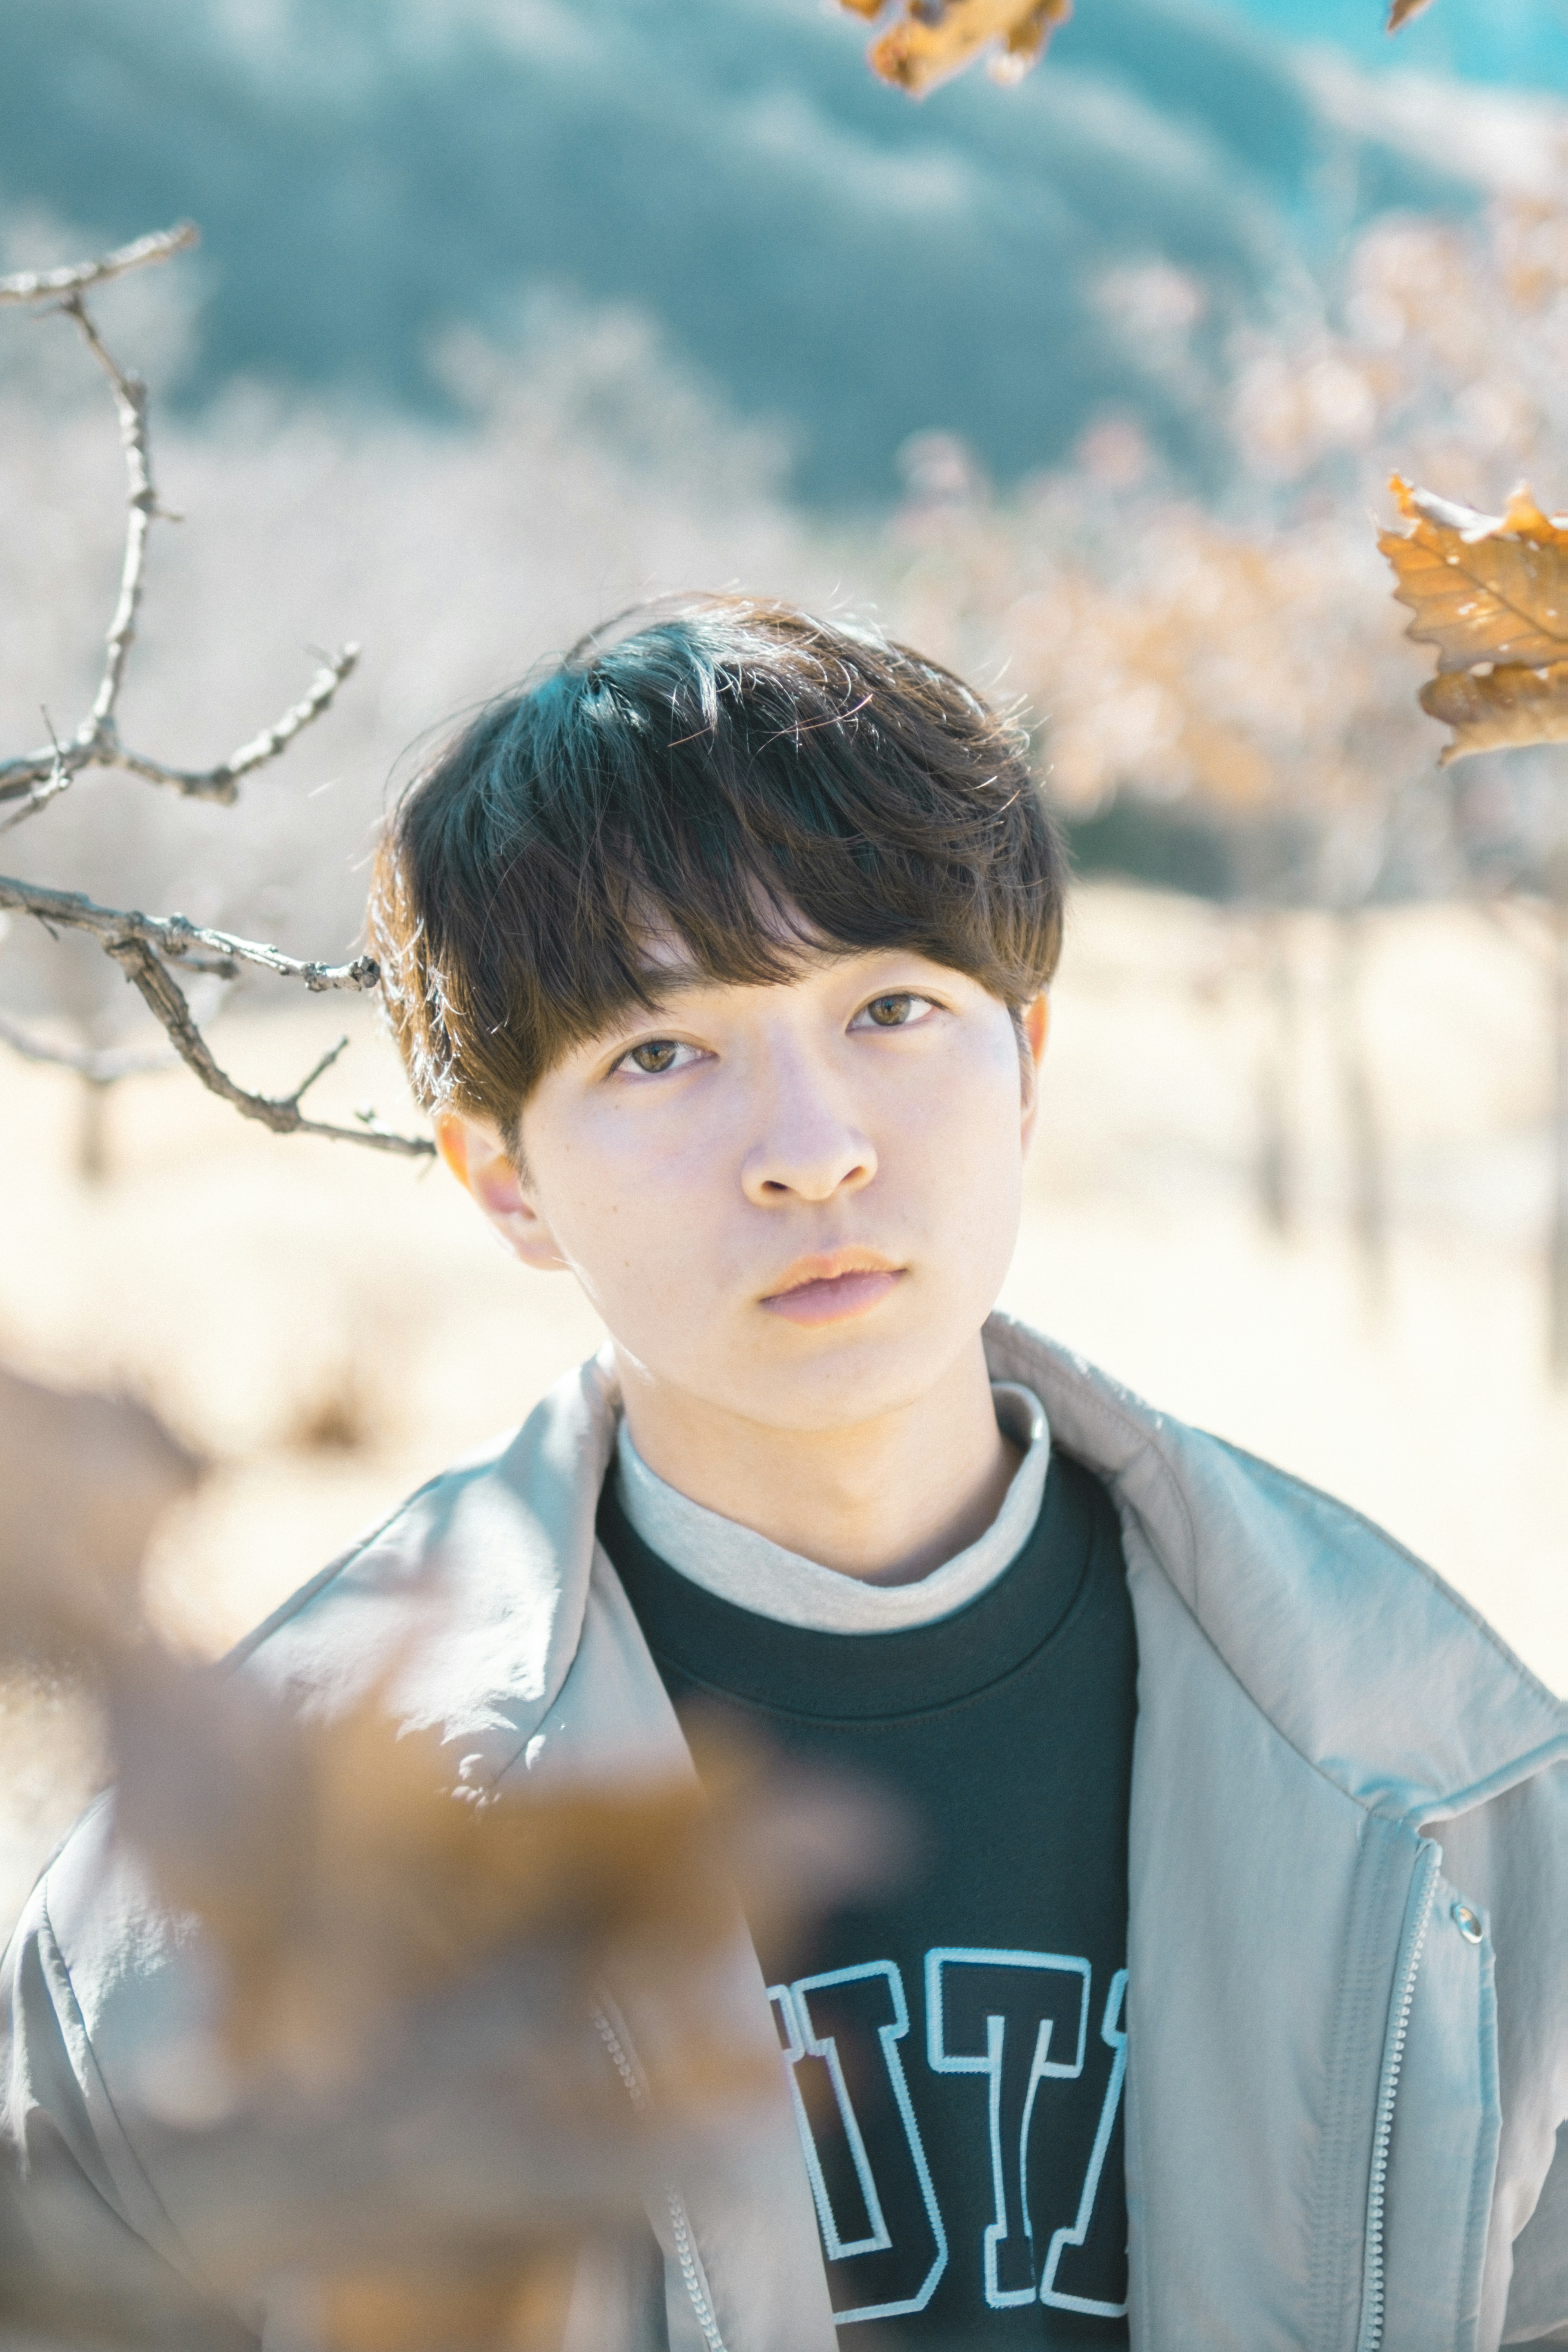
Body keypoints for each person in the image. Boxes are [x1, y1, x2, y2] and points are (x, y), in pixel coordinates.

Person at [2, 596, 1564, 2352]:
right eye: (661, 1055)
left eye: (892, 1008)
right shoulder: (252, 1859)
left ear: (1028, 1064)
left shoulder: (1441, 1774)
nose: (813, 1152)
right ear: (500, 1175)